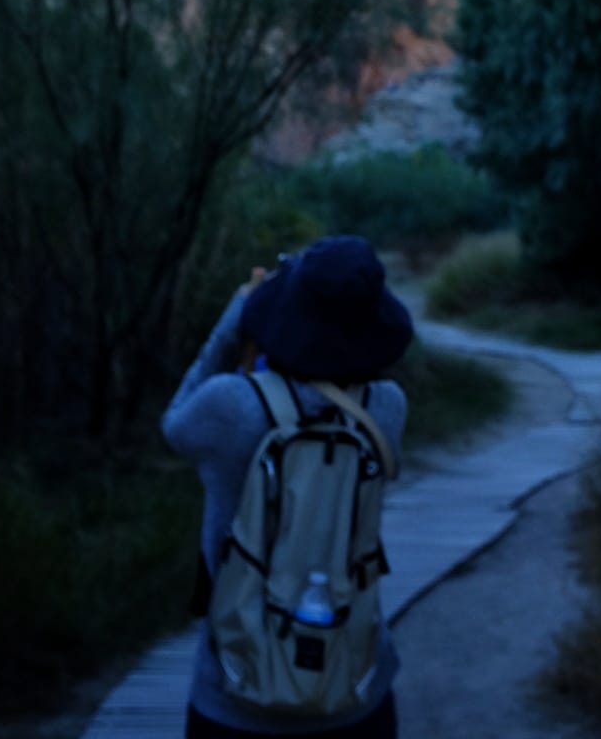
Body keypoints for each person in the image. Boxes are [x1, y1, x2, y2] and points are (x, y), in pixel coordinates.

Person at [162, 234, 413, 739]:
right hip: (356, 685)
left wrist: (235, 322)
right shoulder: (386, 408)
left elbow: (174, 423)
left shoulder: (230, 406)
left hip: (235, 693)